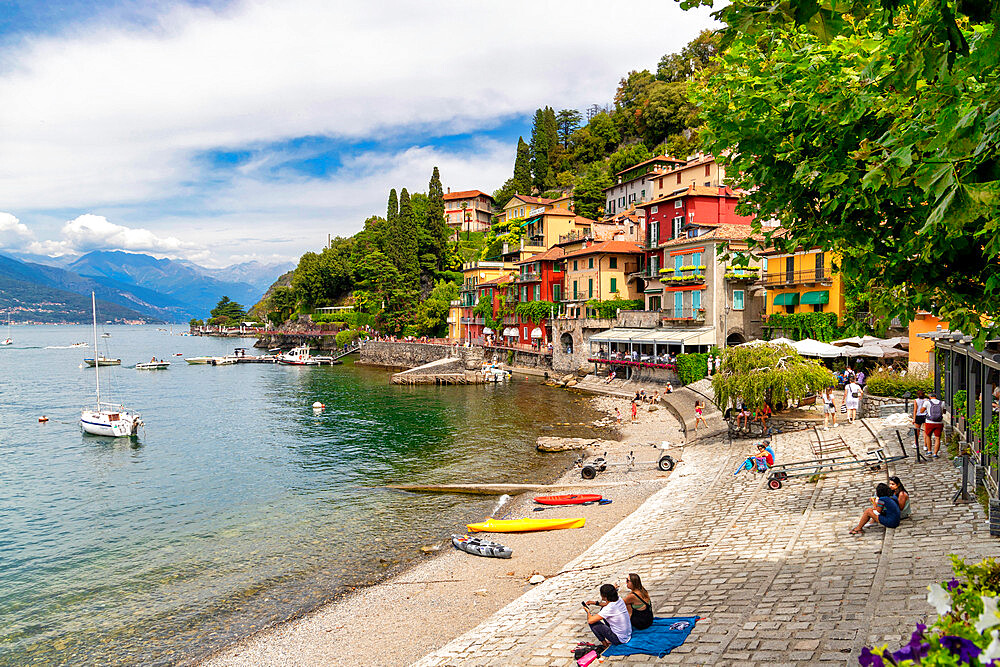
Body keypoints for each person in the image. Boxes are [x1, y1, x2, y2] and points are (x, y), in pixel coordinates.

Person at [583, 583, 632, 649]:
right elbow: (606, 605)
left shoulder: (609, 608)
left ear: (604, 596)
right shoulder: (619, 600)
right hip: (627, 634)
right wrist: (595, 603)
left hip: (619, 639)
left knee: (594, 623)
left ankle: (605, 645)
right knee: (602, 610)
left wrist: (588, 612)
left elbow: (590, 620)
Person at [925, 392, 945, 458]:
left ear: (930, 397)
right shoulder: (942, 403)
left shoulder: (927, 402)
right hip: (939, 422)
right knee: (937, 438)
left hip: (929, 422)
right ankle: (935, 453)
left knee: (928, 436)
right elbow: (944, 412)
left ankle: (929, 451)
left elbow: (922, 410)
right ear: (936, 396)